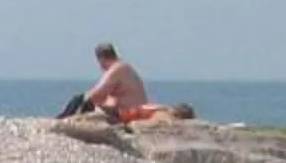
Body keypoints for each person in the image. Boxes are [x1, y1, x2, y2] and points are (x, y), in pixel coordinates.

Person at [57, 42, 193, 124]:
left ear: (101, 58)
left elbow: (96, 95)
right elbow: (109, 97)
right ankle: (62, 118)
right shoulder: (124, 68)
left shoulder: (117, 69)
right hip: (130, 109)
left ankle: (61, 120)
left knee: (81, 100)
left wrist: (83, 98)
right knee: (82, 100)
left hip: (130, 112)